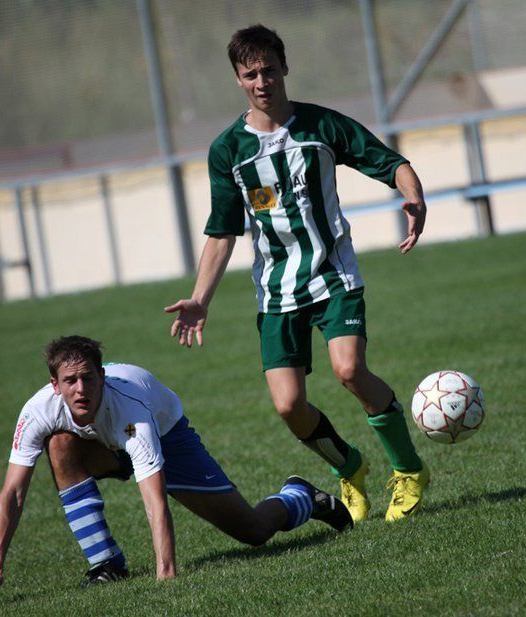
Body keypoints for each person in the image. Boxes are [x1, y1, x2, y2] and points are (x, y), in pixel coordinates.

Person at [165, 24, 429, 524]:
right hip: (276, 292)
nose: (261, 81)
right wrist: (200, 298)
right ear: (238, 80)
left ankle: (409, 469)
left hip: (334, 276)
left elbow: (389, 161)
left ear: (284, 67)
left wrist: (413, 196)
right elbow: (222, 232)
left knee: (349, 370)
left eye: (268, 70)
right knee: (289, 406)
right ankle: (349, 466)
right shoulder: (228, 150)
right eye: (250, 74)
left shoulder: (320, 126)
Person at [0, 335, 352, 602]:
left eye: (88, 378)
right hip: (105, 443)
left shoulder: (132, 412)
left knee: (253, 531)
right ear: (54, 385)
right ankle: (106, 564)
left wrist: (166, 573)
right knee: (59, 445)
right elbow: (13, 492)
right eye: (70, 381)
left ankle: (300, 496)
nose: (80, 389)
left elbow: (155, 500)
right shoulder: (37, 412)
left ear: (102, 376)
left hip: (166, 435)